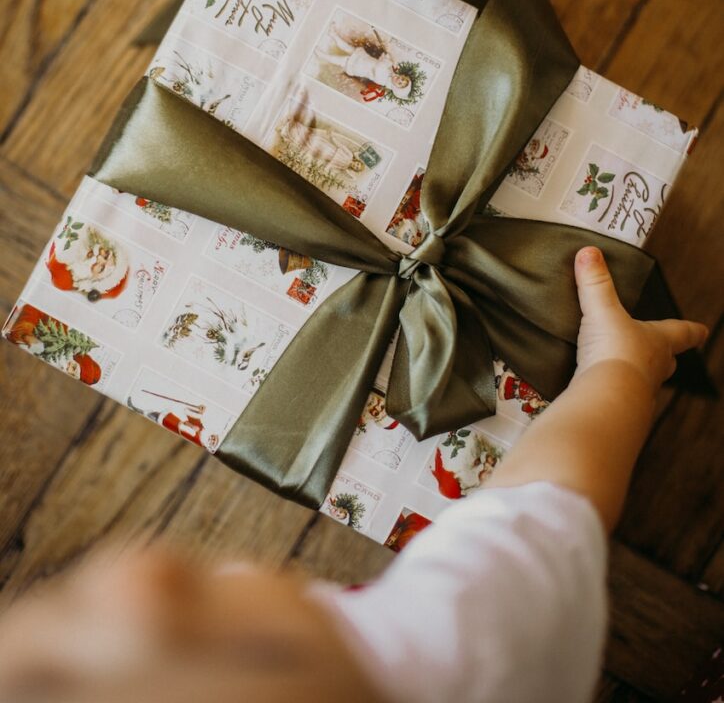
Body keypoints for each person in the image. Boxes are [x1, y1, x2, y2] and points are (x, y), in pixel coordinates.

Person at [0, 247, 708, 703]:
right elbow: (561, 485)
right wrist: (622, 366)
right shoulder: (464, 642)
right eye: (211, 635)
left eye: (60, 600)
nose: (141, 565)